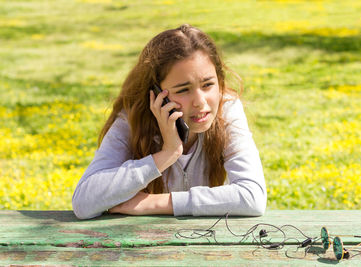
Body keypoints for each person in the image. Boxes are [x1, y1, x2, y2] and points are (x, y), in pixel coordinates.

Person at [72, 24, 266, 219]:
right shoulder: (131, 119)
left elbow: (252, 196)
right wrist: (167, 154)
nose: (200, 102)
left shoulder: (228, 109)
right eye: (183, 90)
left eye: (208, 85)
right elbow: (84, 202)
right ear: (156, 94)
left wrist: (156, 203)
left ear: (220, 81)